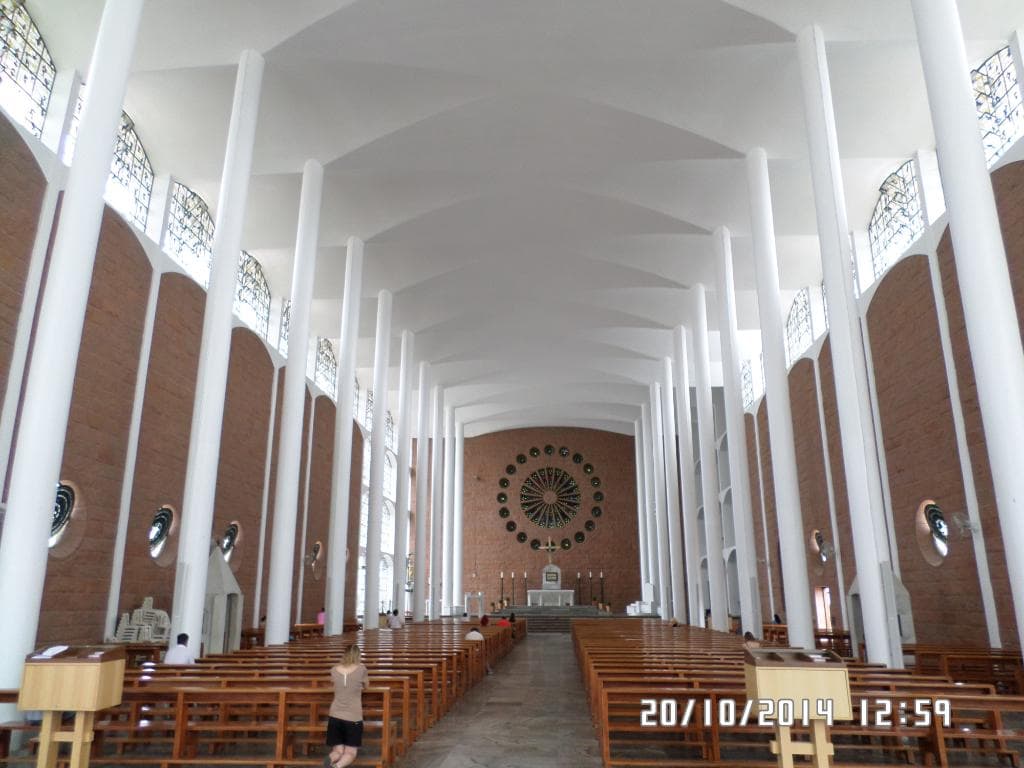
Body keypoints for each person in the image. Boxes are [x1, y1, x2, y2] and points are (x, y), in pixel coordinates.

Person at [327, 644, 367, 768]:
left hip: (334, 716)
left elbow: (334, 683)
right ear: (357, 655)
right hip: (353, 717)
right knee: (350, 752)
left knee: (337, 751)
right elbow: (366, 685)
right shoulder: (361, 669)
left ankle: (328, 762)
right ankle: (336, 767)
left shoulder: (334, 669)